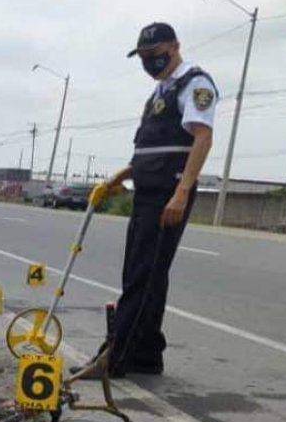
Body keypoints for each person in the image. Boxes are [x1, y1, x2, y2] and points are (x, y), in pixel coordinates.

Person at [80, 22, 217, 379]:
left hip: (167, 193)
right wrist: (117, 178)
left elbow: (202, 139)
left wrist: (182, 192)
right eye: (143, 57)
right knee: (151, 276)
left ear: (174, 47)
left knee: (140, 277)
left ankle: (116, 357)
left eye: (154, 55)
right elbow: (148, 151)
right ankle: (146, 355)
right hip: (147, 189)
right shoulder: (161, 92)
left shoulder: (195, 84)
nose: (148, 63)